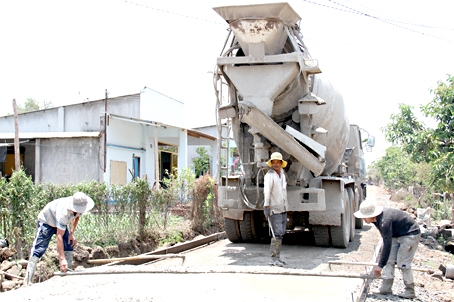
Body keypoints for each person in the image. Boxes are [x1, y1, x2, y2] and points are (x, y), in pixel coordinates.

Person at [24, 192, 95, 285]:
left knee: (69, 244)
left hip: (61, 223)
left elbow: (76, 217)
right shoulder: (63, 212)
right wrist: (62, 259)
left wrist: (71, 233)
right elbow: (59, 236)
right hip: (47, 222)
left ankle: (66, 273)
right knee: (39, 249)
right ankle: (27, 281)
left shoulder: (79, 205)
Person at [353, 200, 421, 299]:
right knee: (389, 260)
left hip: (410, 234)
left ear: (372, 214)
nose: (363, 219)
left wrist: (380, 266)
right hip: (396, 234)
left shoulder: (385, 221)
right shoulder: (376, 220)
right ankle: (386, 288)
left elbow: (387, 244)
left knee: (403, 262)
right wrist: (382, 263)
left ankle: (410, 291)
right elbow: (386, 242)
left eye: (364, 216)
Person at [263, 152, 289, 267]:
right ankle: (273, 259)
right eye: (274, 162)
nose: (276, 164)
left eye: (278, 162)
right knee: (276, 234)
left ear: (281, 163)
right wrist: (266, 206)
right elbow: (267, 192)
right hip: (274, 209)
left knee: (281, 233)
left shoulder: (282, 175)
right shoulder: (270, 175)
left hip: (282, 208)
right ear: (272, 163)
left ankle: (278, 257)